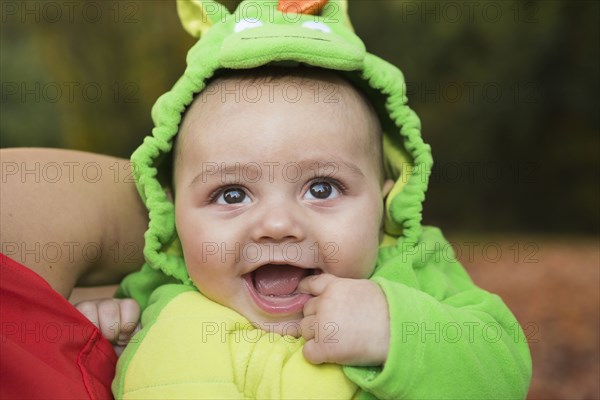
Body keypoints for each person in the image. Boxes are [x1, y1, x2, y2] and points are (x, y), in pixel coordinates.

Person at [75, 0, 531, 398]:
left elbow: (503, 372)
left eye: (321, 188)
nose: (277, 223)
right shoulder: (156, 294)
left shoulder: (412, 275)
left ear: (383, 202)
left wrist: (396, 332)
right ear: (174, 211)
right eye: (231, 193)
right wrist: (107, 341)